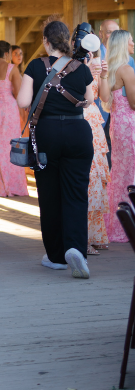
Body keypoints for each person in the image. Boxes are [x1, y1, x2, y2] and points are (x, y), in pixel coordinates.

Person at [17, 19, 94, 278]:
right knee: (76, 194)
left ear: (45, 41)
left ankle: (56, 257)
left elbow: (23, 101)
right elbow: (89, 100)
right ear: (67, 41)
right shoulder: (81, 68)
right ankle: (76, 249)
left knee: (50, 195)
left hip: (47, 135)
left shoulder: (35, 66)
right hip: (78, 133)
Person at [100, 30, 135, 243]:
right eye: (131, 40)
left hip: (117, 126)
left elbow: (105, 99)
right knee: (130, 173)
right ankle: (128, 223)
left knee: (121, 173)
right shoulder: (126, 69)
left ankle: (118, 221)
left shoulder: (111, 70)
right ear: (123, 44)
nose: (133, 43)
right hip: (130, 126)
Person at [0, 40, 27, 198]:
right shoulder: (11, 68)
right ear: (7, 53)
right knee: (10, 147)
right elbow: (18, 93)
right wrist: (23, 113)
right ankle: (11, 185)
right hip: (8, 109)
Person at [83, 51, 110, 252]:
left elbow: (105, 98)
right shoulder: (71, 65)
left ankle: (94, 234)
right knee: (87, 179)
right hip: (79, 119)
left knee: (97, 180)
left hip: (95, 122)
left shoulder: (96, 65)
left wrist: (104, 76)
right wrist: (85, 71)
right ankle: (82, 238)